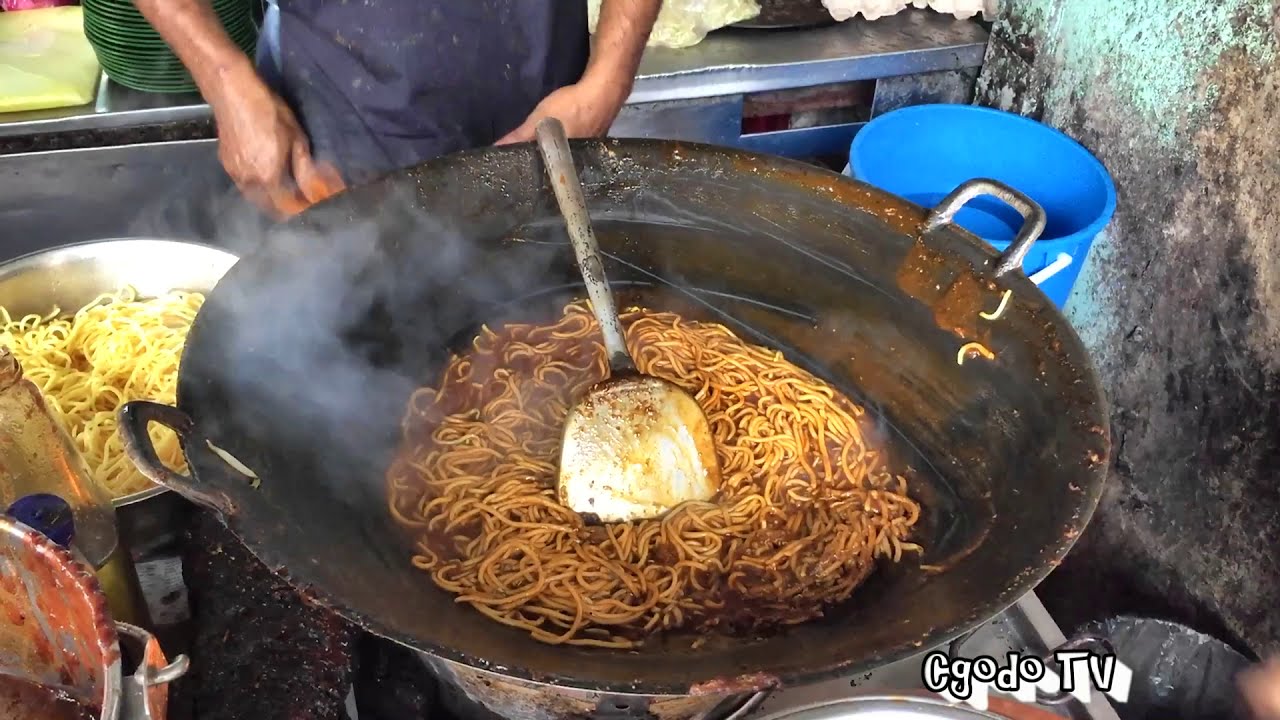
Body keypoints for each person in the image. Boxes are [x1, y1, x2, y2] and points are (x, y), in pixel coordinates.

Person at [134, 0, 661, 217]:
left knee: (546, 334)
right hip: (334, 123)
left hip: (543, 103)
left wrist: (607, 80)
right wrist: (224, 79)